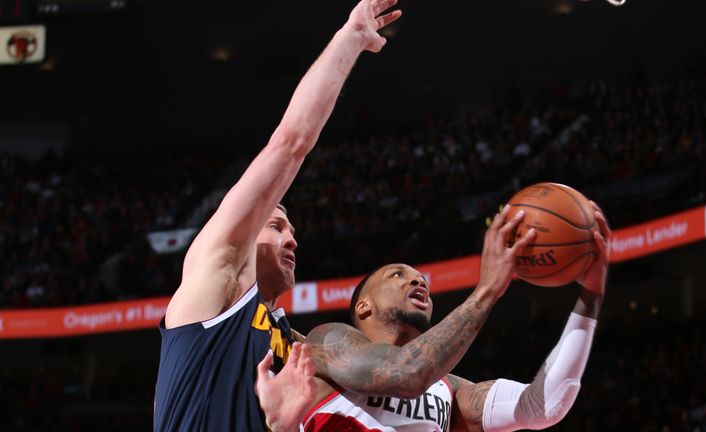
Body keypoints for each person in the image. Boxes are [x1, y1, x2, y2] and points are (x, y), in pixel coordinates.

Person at [153, 0, 403, 430]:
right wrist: (351, 37)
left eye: (291, 229)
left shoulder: (289, 345)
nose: (293, 239)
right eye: (276, 225)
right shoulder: (216, 276)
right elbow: (290, 142)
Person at [302, 203, 611, 432]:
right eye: (397, 275)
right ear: (363, 307)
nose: (418, 281)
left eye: (423, 278)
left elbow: (542, 406)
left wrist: (590, 297)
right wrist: (488, 289)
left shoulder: (448, 390)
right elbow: (406, 374)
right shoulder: (328, 342)